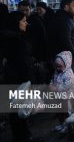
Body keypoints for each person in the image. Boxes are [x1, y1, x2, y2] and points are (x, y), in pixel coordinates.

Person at [0, 11, 41, 142]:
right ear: (16, 23)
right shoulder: (17, 40)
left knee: (16, 109)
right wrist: (31, 82)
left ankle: (21, 135)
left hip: (11, 78)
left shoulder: (8, 38)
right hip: (20, 80)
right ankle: (23, 136)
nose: (26, 23)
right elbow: (24, 63)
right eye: (23, 21)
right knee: (20, 109)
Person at [49, 51, 74, 134]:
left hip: (66, 98)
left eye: (60, 66)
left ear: (67, 64)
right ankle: (61, 124)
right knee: (59, 112)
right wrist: (51, 84)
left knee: (66, 112)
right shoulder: (57, 72)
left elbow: (67, 86)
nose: (58, 68)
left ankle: (67, 126)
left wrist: (56, 88)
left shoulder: (69, 75)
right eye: (56, 66)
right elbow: (53, 79)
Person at [49, 0, 74, 64]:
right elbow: (66, 40)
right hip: (65, 58)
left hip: (66, 56)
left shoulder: (67, 18)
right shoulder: (64, 20)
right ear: (66, 7)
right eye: (73, 6)